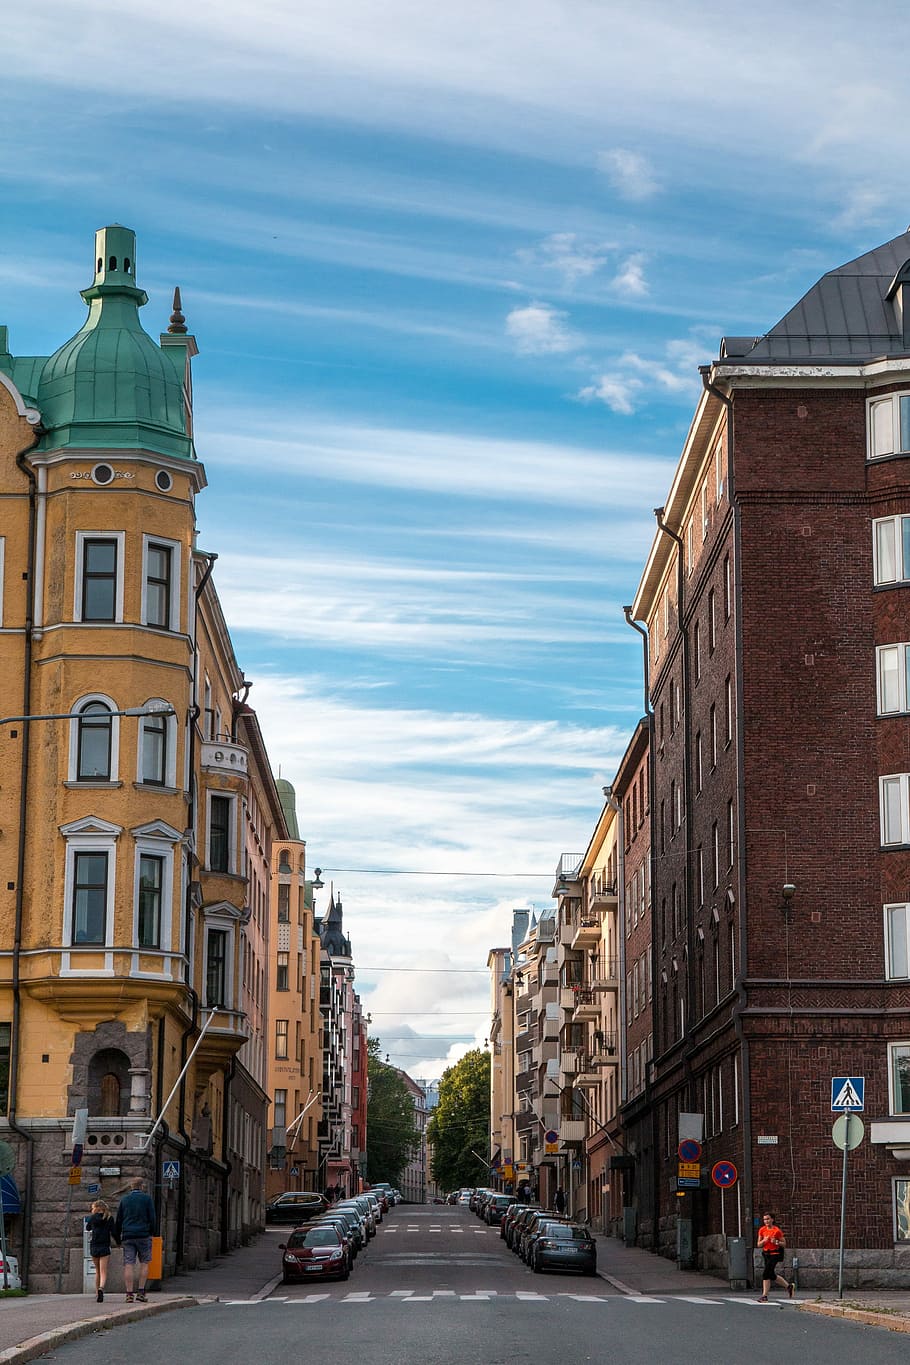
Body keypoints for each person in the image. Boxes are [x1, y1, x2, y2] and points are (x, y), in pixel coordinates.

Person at [114, 1177, 157, 1303]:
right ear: (142, 1186)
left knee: (129, 1264)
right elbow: (152, 1218)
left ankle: (129, 1294)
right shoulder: (147, 1199)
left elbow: (119, 1220)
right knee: (144, 1263)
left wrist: (118, 1238)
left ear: (131, 1187)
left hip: (128, 1235)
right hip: (143, 1235)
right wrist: (151, 1232)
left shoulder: (124, 1200)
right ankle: (141, 1292)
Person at [756, 1211, 794, 1301]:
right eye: (764, 1219)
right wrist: (764, 1241)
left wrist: (776, 1242)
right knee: (771, 1275)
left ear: (772, 1219)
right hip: (766, 1254)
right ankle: (789, 1286)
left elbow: (784, 1244)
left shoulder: (777, 1231)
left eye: (768, 1219)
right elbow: (758, 1244)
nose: (766, 1221)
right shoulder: (762, 1230)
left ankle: (764, 1296)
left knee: (766, 1273)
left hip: (775, 1254)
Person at [84, 1198, 117, 1302]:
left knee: (97, 1271)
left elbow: (88, 1228)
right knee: (103, 1271)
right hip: (105, 1246)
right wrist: (119, 1242)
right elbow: (114, 1232)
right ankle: (101, 1289)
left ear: (96, 1208)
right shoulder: (109, 1218)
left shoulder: (92, 1218)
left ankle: (96, 1292)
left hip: (94, 1246)